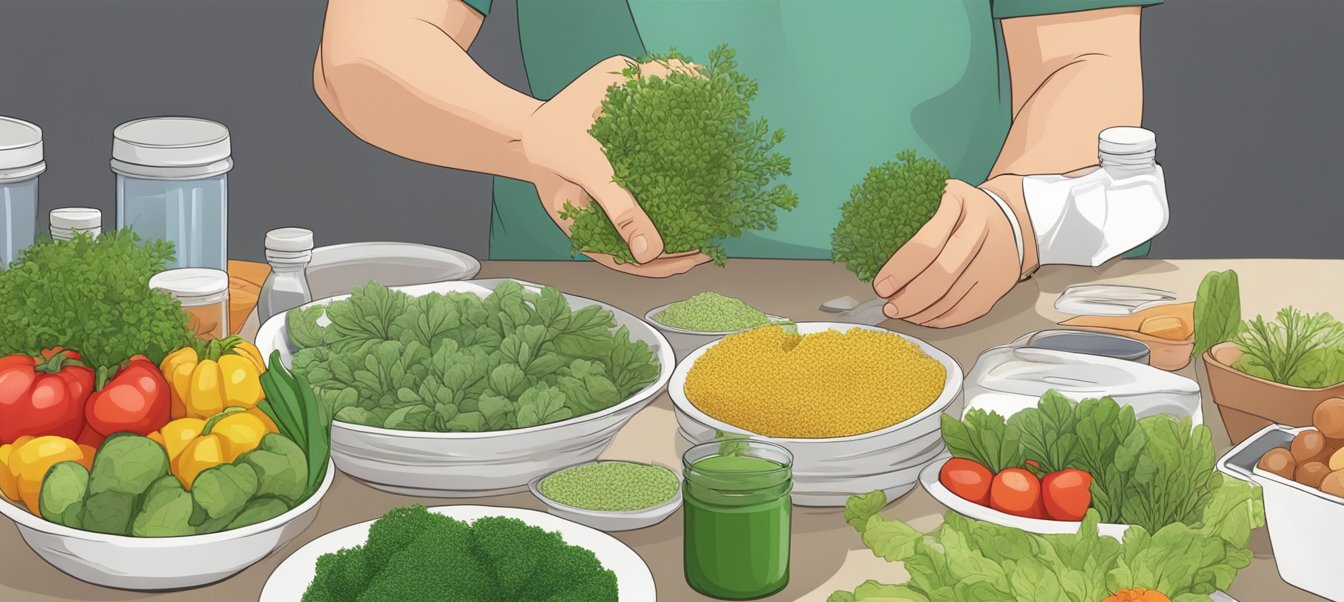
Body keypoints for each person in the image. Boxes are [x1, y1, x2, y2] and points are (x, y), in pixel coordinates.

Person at [314, 0, 1160, 327]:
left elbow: (1083, 62)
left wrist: (1014, 217)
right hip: (597, 335)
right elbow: (363, 50)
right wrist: (525, 135)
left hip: (948, 321)